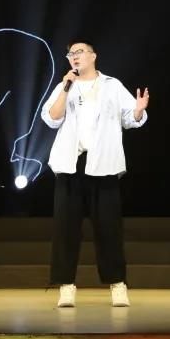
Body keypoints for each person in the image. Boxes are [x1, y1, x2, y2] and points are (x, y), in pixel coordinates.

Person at [40, 41, 149, 308]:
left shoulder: (112, 85)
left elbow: (130, 118)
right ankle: (66, 286)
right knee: (65, 229)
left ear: (93, 56)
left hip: (103, 164)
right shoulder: (65, 85)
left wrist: (138, 110)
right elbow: (51, 118)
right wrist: (65, 88)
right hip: (71, 163)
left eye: (79, 52)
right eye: (70, 54)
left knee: (109, 228)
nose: (74, 57)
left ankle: (118, 284)